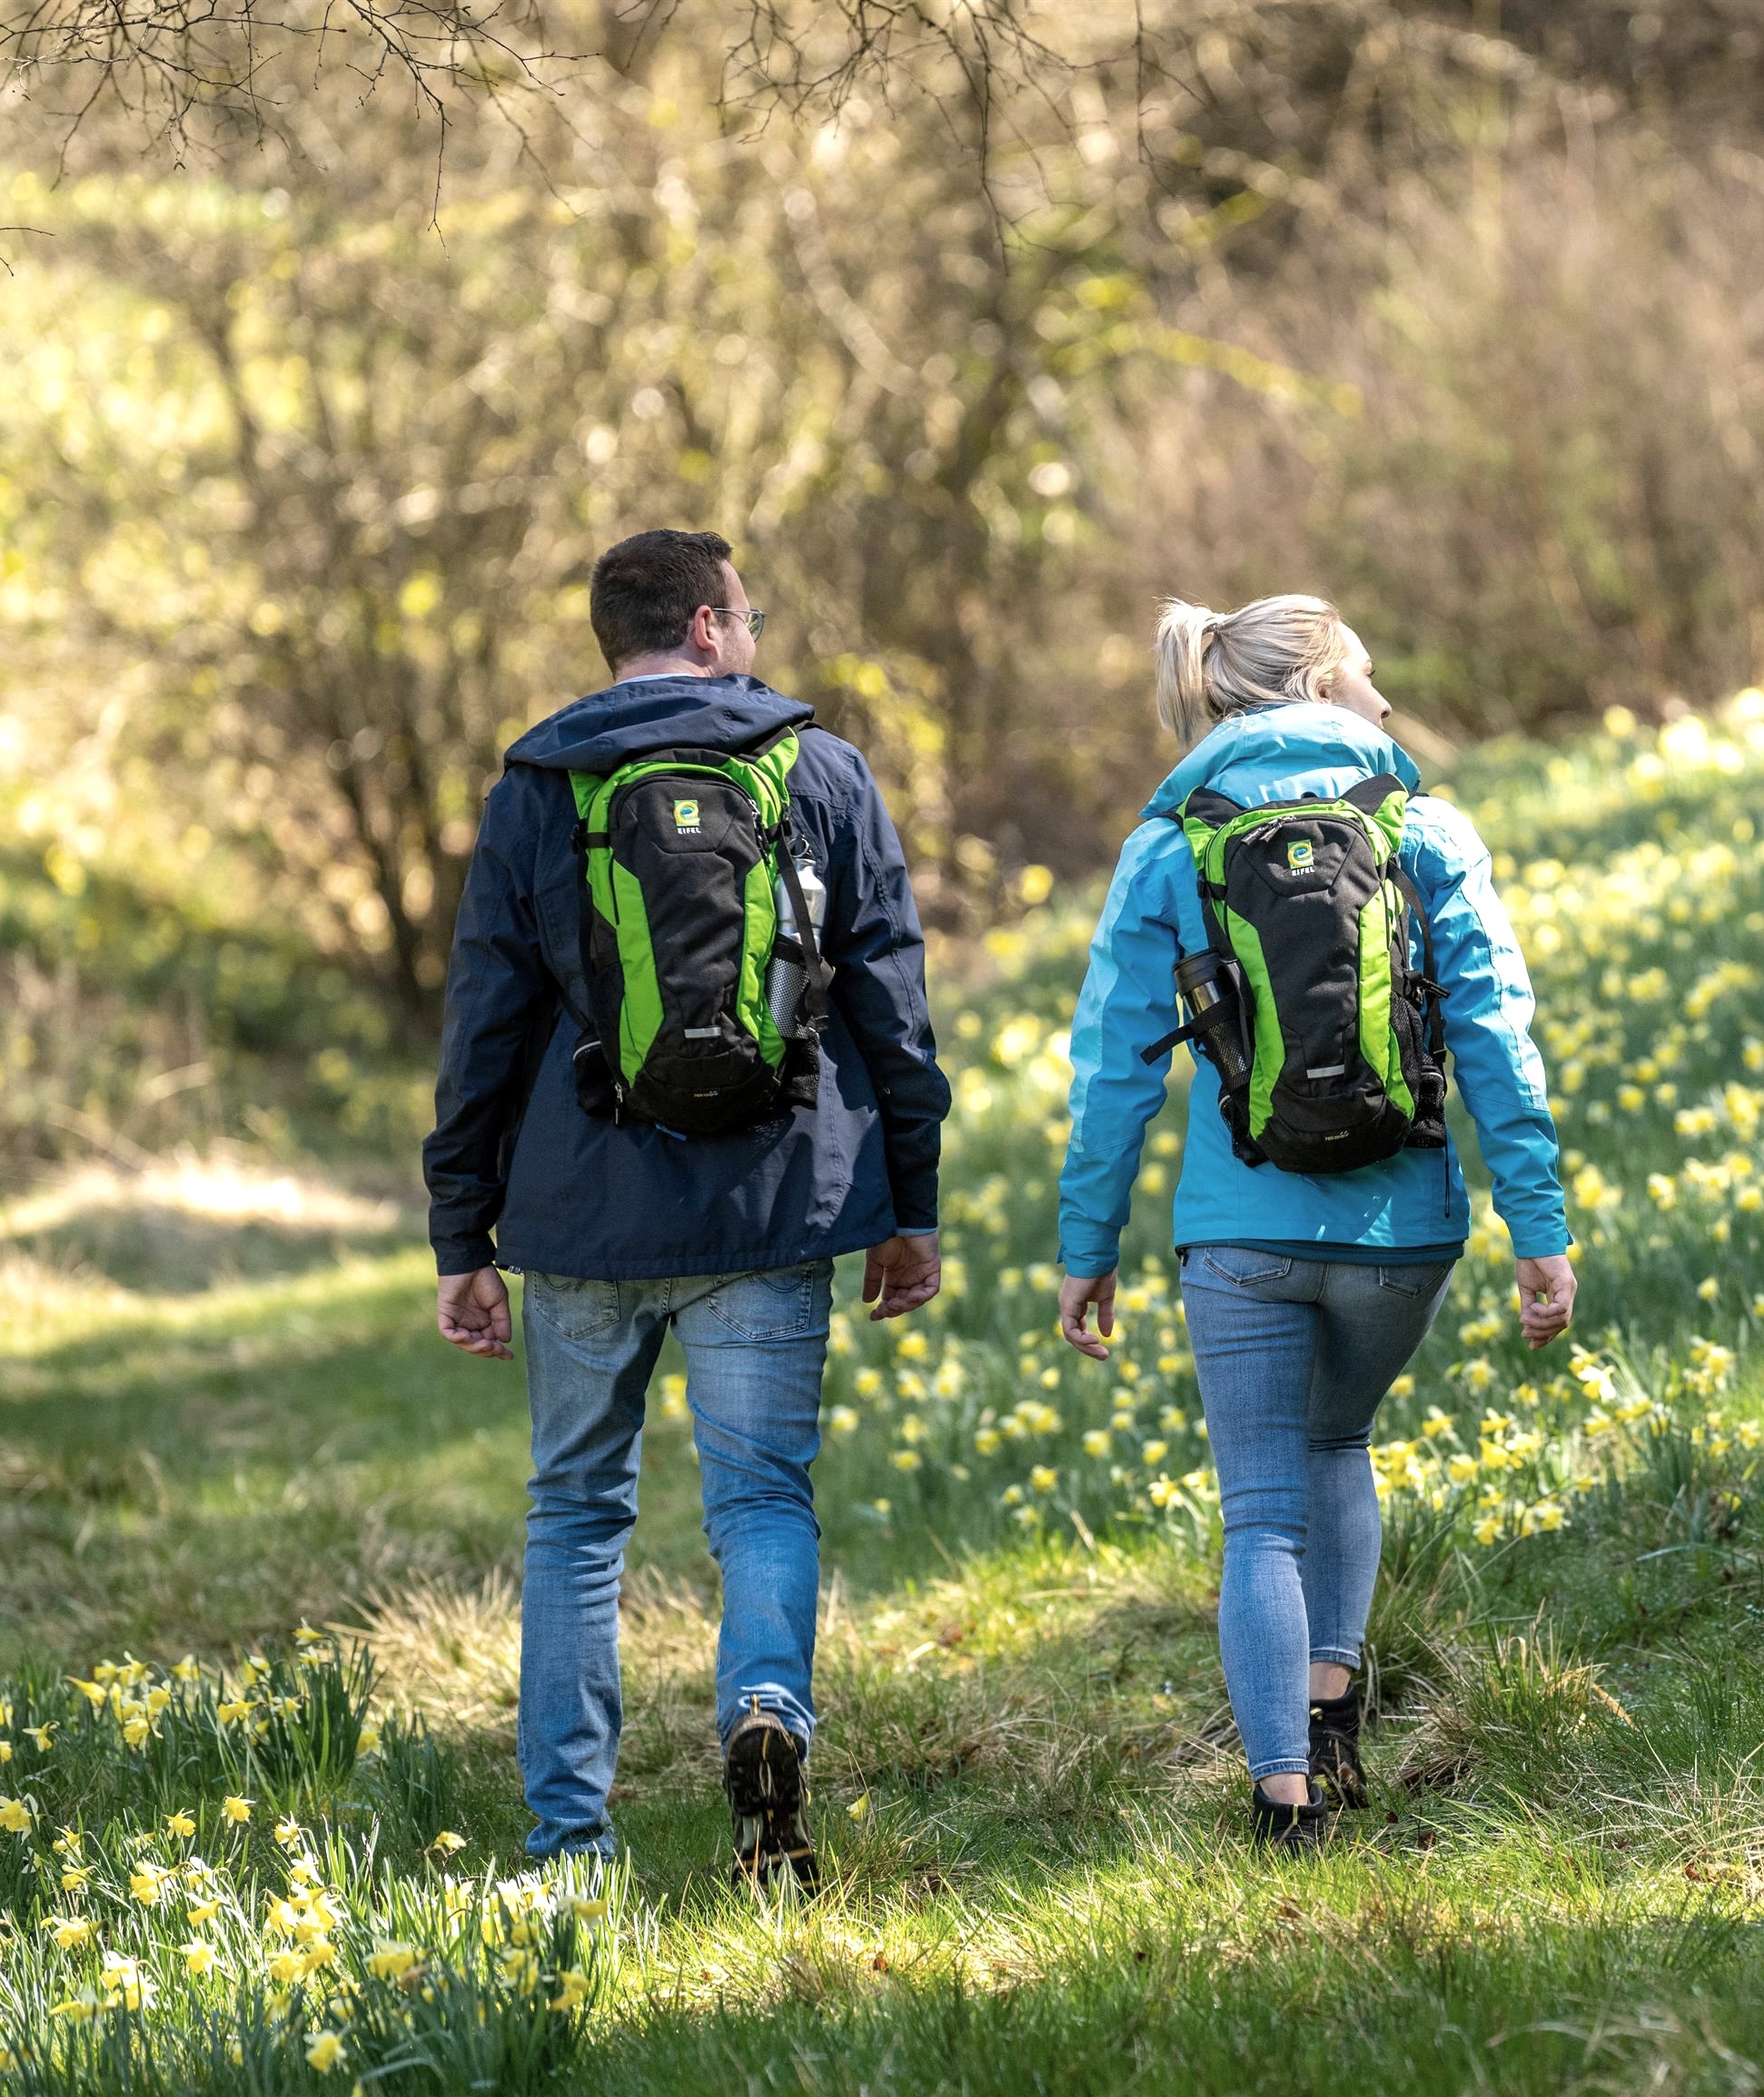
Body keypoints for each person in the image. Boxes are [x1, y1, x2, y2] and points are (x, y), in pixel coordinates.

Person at [423, 529, 952, 1882]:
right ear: (709, 628)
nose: (755, 639)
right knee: (762, 1499)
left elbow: (484, 1020)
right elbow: (891, 1000)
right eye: (748, 616)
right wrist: (912, 1202)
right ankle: (766, 1711)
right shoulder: (820, 772)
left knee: (575, 1515)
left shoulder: (540, 787)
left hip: (580, 1214)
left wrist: (461, 1230)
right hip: (769, 1208)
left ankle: (569, 1842)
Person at [1055, 594, 1573, 1849]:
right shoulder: (1422, 828)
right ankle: (1336, 1720)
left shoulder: (1170, 847)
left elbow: (1114, 1068)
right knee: (1338, 1441)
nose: (1386, 702)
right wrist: (1538, 1224)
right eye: (1369, 675)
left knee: (1260, 1513)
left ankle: (1282, 1803)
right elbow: (1497, 1035)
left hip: (1240, 1233)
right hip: (1404, 1232)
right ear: (1322, 683)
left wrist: (1088, 1245)